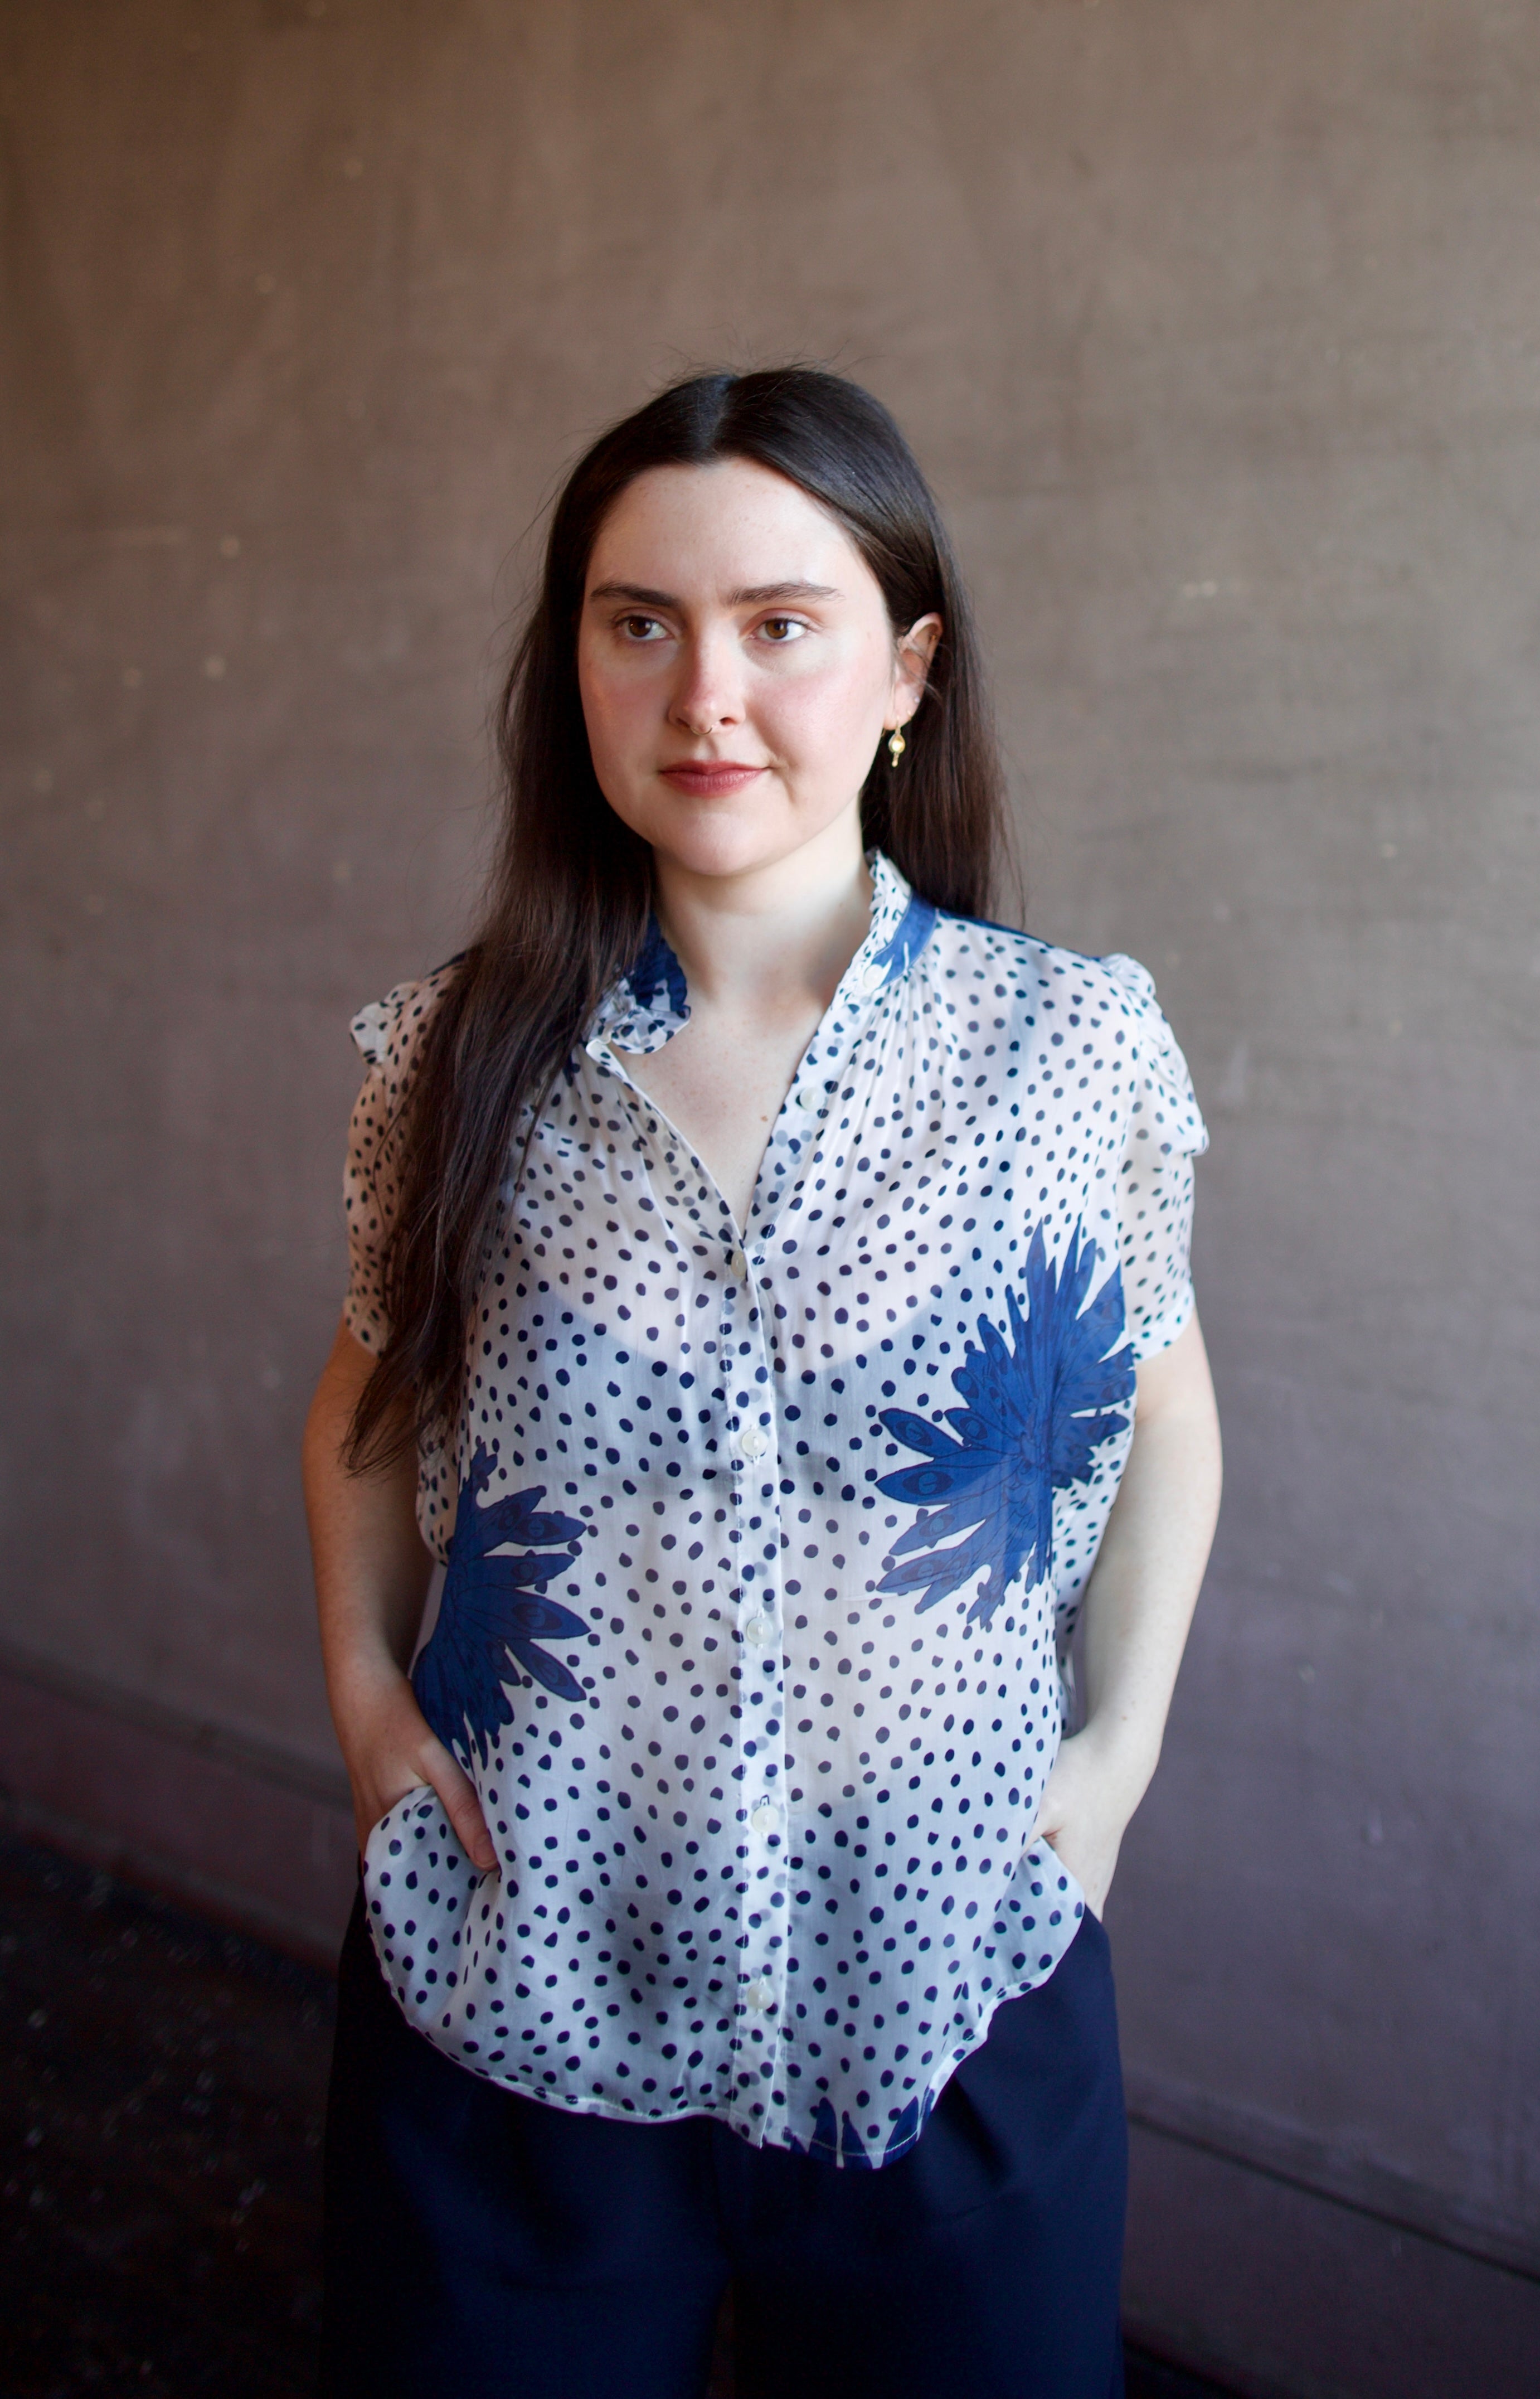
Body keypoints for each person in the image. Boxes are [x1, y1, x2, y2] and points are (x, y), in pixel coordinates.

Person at [303, 365, 1222, 2399]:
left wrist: (1114, 1768)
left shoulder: (1065, 1051)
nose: (704, 694)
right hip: (512, 1994)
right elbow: (362, 1413)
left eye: (779, 626)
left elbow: (1166, 1414)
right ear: (577, 672)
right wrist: (370, 1707)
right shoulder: (459, 1056)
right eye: (640, 626)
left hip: (959, 1994)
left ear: (906, 670)